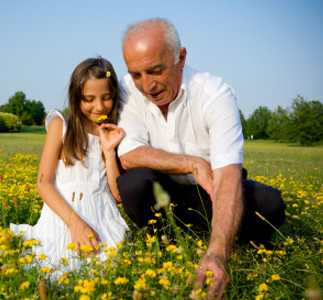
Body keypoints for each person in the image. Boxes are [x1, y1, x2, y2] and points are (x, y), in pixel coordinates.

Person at [116, 18, 286, 299]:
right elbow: (129, 153)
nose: (146, 85)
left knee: (270, 205)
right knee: (134, 183)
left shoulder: (215, 94)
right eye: (136, 74)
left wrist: (218, 255)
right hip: (165, 195)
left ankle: (217, 236)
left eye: (155, 70)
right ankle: (163, 241)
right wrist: (192, 163)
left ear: (180, 58)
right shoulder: (128, 90)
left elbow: (228, 178)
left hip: (211, 193)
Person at [10, 57, 128, 280]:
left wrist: (110, 150)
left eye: (107, 98)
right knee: (58, 271)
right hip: (64, 216)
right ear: (76, 97)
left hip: (103, 217)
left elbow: (117, 195)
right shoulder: (61, 126)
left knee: (105, 274)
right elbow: (43, 183)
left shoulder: (114, 132)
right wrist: (76, 224)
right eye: (89, 99)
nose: (99, 106)